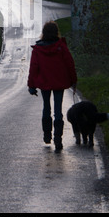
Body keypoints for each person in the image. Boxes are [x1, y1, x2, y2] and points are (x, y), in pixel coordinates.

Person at [28, 21, 77, 152]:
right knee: (58, 110)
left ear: (43, 33)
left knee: (46, 107)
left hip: (44, 83)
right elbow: (70, 64)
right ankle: (58, 137)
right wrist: (74, 80)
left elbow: (33, 68)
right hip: (59, 82)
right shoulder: (61, 47)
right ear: (56, 32)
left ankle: (47, 134)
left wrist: (31, 85)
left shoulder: (38, 50)